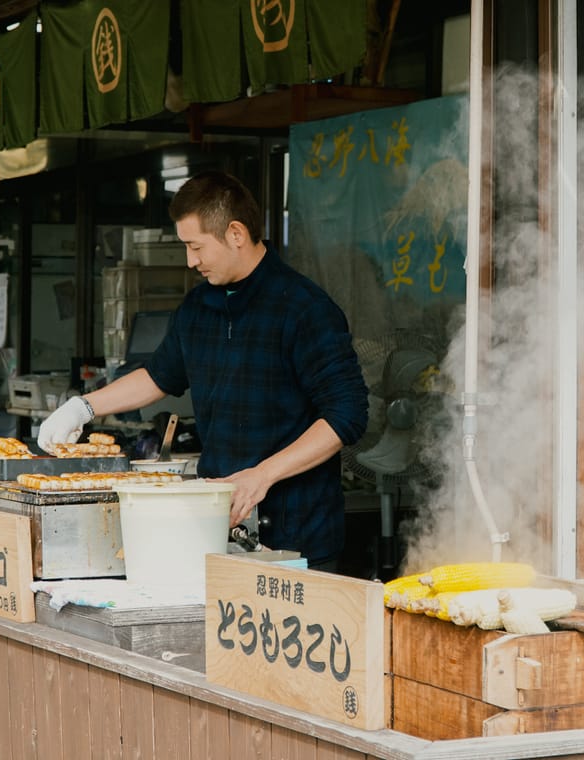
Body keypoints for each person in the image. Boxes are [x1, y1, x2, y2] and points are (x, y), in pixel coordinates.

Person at [40, 171, 368, 570]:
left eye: (196, 247)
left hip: (298, 537)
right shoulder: (198, 308)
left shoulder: (304, 309)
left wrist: (262, 475)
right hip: (217, 529)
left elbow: (347, 415)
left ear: (235, 233)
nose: (190, 261)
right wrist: (83, 407)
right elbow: (160, 375)